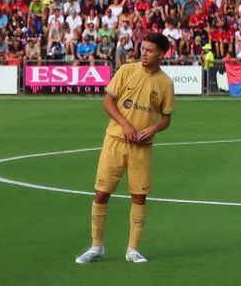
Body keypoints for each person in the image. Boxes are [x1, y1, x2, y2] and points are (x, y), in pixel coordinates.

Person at [75, 32, 175, 265]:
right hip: (115, 141)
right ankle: (96, 246)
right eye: (143, 48)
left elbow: (166, 118)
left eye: (149, 50)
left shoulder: (165, 83)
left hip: (142, 147)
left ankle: (133, 249)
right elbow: (107, 102)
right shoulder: (126, 70)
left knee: (139, 197)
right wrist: (126, 125)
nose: (144, 53)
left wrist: (154, 129)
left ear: (161, 54)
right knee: (101, 193)